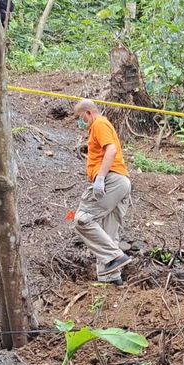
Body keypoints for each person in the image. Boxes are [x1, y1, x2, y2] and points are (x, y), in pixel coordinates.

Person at [73, 99, 132, 286]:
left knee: (82, 219)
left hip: (111, 180)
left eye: (80, 117)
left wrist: (100, 178)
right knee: (109, 231)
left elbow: (112, 150)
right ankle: (110, 278)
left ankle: (115, 257)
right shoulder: (100, 126)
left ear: (88, 113)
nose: (79, 122)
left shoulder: (99, 123)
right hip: (121, 182)